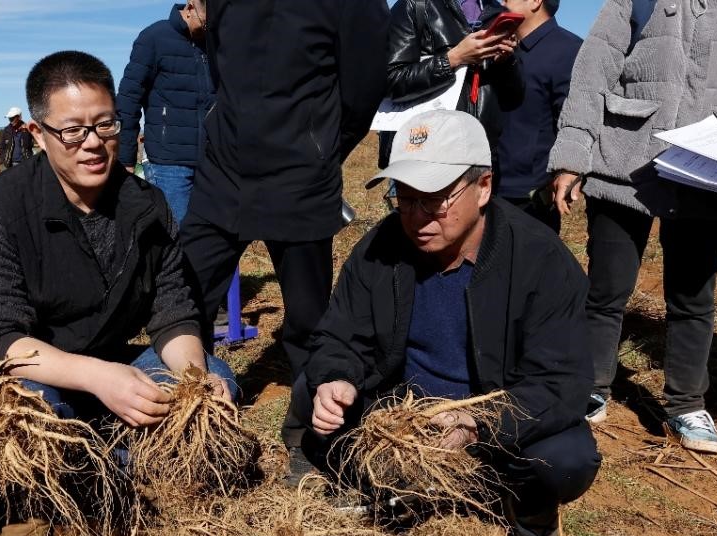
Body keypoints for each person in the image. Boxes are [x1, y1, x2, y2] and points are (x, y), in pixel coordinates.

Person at [293, 110, 601, 536]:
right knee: (313, 390)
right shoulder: (381, 245)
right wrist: (338, 377)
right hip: (403, 417)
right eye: (405, 198)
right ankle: (367, 479)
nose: (417, 217)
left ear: (484, 187)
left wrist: (478, 421)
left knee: (565, 458)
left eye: (434, 199)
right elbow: (339, 333)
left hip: (493, 422)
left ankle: (531, 515)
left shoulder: (540, 260)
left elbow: (561, 383)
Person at [0, 50, 235, 432]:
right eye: (72, 131)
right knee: (28, 409)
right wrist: (99, 377)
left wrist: (195, 382)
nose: (92, 143)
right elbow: (0, 337)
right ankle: (93, 451)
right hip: (35, 369)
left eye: (106, 125)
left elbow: (172, 309)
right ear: (38, 134)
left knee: (213, 374)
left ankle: (138, 449)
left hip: (110, 360)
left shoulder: (147, 204)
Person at [548, 0, 717, 454]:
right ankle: (592, 385)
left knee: (693, 297)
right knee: (607, 288)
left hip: (709, 170)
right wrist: (573, 154)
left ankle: (686, 403)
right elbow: (594, 70)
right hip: (625, 162)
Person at [181, 0, 390, 383]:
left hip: (301, 176)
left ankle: (308, 422)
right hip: (224, 172)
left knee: (309, 318)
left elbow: (365, 85)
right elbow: (220, 67)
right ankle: (189, 400)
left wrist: (321, 148)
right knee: (186, 293)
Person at [384, 0, 523, 183]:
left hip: (482, 157)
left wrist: (505, 63)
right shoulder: (415, 5)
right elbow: (389, 82)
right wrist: (454, 58)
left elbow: (514, 99)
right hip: (424, 154)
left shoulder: (499, 13)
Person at [115, 0, 214, 222]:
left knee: (212, 248)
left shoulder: (216, 43)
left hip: (213, 165)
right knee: (176, 243)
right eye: (207, 24)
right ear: (191, 6)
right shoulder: (154, 38)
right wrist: (125, 160)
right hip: (168, 165)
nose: (211, 30)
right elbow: (129, 100)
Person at [494, 0, 581, 232]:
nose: (502, 1)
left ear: (535, 1)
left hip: (529, 201)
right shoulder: (499, 47)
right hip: (486, 187)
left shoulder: (569, 50)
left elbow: (573, 122)